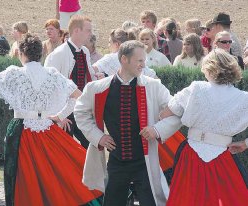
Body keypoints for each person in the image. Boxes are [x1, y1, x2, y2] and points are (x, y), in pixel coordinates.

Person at [0, 33, 102, 206]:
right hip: (48, 130)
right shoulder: (52, 74)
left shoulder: (14, 73)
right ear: (41, 54)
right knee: (57, 174)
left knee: (22, 176)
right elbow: (78, 97)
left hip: (21, 130)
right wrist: (59, 115)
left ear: (21, 53)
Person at [74, 40, 181, 206]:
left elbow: (176, 111)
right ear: (124, 59)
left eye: (143, 61)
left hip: (144, 161)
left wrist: (157, 129)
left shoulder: (153, 86)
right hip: (116, 161)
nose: (143, 65)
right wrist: (98, 137)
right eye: (139, 61)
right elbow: (80, 112)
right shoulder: (98, 88)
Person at [152, 49, 248, 205]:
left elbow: (167, 113)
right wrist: (245, 144)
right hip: (223, 155)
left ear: (209, 68)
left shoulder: (196, 88)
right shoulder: (244, 99)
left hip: (192, 154)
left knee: (186, 199)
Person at [45, 15, 95, 148]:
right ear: (76, 31)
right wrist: (60, 115)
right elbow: (49, 86)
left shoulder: (84, 51)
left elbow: (88, 77)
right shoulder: (57, 55)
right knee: (64, 150)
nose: (91, 34)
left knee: (90, 145)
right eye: (88, 30)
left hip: (81, 108)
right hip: (65, 113)